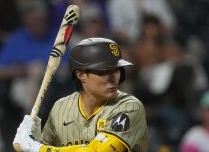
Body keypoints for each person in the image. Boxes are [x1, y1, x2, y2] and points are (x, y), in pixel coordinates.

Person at [13, 38, 149, 152]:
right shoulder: (61, 108)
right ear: (81, 75)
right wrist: (30, 141)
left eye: (117, 70)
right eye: (103, 71)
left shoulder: (130, 107)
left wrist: (38, 148)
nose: (113, 78)